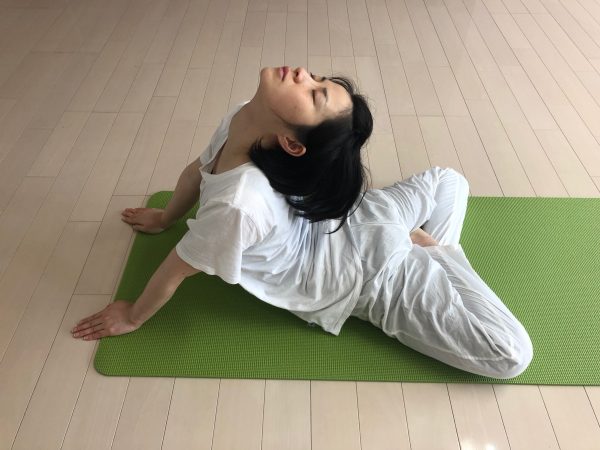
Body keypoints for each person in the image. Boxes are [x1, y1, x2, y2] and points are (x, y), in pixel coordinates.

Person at [71, 66, 533, 379]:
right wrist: (165, 216)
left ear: (293, 144)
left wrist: (132, 316)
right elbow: (198, 170)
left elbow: (176, 269)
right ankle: (427, 249)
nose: (302, 74)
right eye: (317, 80)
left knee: (510, 355)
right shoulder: (242, 117)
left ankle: (432, 252)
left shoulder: (239, 204)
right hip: (367, 215)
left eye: (314, 93)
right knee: (449, 181)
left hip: (370, 273)